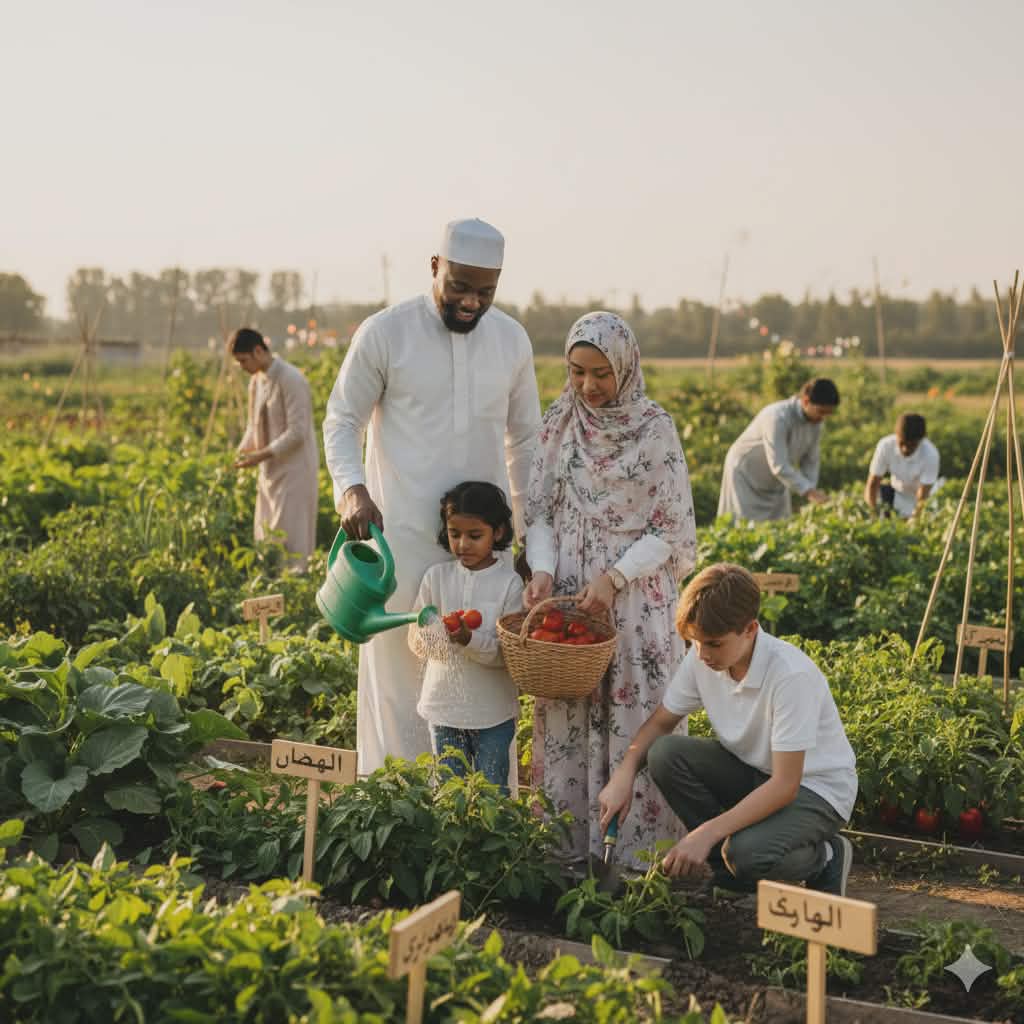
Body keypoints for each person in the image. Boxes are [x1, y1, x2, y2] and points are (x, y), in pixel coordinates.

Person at [323, 219, 542, 776]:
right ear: (434, 267)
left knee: (484, 677)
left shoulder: (512, 340)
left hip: (487, 545)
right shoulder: (384, 333)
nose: (472, 302)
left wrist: (530, 539)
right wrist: (351, 489)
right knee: (400, 678)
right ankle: (397, 810)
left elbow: (526, 444)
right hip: (402, 542)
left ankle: (480, 822)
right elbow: (341, 420)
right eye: (460, 286)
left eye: (485, 292)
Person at [523, 311, 697, 867]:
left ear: (625, 367)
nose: (588, 387)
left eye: (600, 373)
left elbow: (668, 530)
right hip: (572, 595)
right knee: (569, 717)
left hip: (632, 600)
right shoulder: (558, 422)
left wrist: (615, 577)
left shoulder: (653, 428)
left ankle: (637, 872)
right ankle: (566, 862)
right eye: (576, 372)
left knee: (634, 717)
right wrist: (544, 570)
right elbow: (542, 513)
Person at [598, 563, 858, 896]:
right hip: (755, 771)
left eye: (714, 644)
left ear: (750, 629)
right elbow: (661, 724)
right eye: (696, 642)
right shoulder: (703, 657)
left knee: (747, 854)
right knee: (664, 753)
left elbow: (785, 786)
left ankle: (826, 857)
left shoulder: (790, 676)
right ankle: (727, 870)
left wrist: (705, 833)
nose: (703, 654)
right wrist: (624, 774)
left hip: (815, 789)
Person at [407, 481, 524, 795]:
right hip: (443, 709)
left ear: (497, 533)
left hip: (493, 713)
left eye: (475, 536)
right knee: (450, 793)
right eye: (454, 534)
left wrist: (468, 640)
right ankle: (454, 846)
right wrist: (437, 637)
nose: (462, 545)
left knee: (492, 794)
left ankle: (495, 843)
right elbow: (416, 638)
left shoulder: (510, 585)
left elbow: (507, 655)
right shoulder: (436, 578)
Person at [232, 327, 319, 572]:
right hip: (269, 470)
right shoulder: (256, 382)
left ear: (258, 350)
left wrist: (260, 455)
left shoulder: (291, 379)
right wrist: (241, 453)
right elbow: (253, 426)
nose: (241, 366)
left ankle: (295, 593)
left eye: (243, 360)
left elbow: (298, 432)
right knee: (269, 535)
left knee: (292, 538)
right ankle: (272, 592)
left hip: (294, 472)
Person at [717, 379, 840, 522]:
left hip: (775, 478)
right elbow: (778, 464)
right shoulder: (777, 417)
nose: (823, 418)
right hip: (745, 474)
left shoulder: (816, 423)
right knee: (743, 525)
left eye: (828, 414)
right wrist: (809, 491)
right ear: (806, 401)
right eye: (821, 412)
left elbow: (811, 461)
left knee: (779, 525)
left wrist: (812, 489)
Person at [865, 413, 940, 519]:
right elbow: (873, 483)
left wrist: (915, 519)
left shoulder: (930, 454)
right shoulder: (885, 446)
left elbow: (923, 494)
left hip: (922, 500)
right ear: (896, 435)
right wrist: (873, 513)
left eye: (911, 445)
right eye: (902, 443)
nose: (905, 449)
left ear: (921, 440)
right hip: (897, 493)